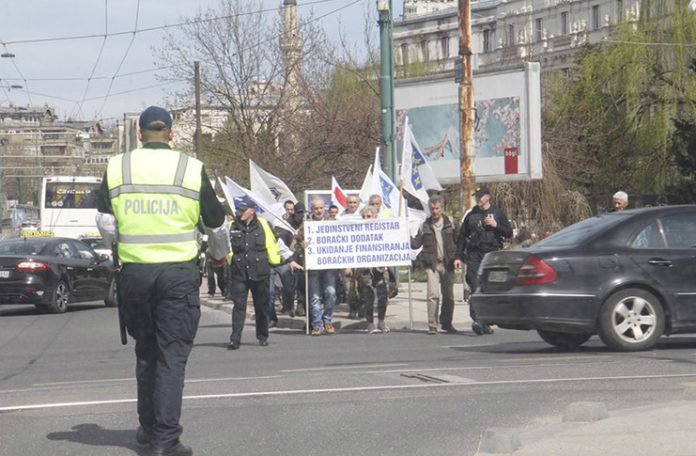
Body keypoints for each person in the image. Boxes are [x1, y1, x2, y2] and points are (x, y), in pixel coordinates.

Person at [96, 105, 229, 456]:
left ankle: (147, 427)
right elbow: (216, 224)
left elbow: (105, 222)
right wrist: (218, 255)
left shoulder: (118, 166)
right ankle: (165, 440)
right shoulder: (190, 168)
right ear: (170, 134)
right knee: (172, 357)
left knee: (146, 351)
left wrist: (122, 248)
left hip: (135, 275)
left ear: (140, 134)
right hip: (177, 276)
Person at [455, 185, 513, 336]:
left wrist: (495, 225)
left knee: (489, 288)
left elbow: (509, 233)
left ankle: (486, 321)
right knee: (474, 285)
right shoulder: (471, 215)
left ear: (487, 197)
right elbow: (462, 237)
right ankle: (478, 320)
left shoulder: (497, 213)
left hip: (491, 254)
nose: (478, 200)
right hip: (474, 254)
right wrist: (458, 257)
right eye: (476, 197)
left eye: (480, 197)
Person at [227, 196, 281, 350]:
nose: (240, 212)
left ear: (252, 211)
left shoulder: (263, 224)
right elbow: (228, 248)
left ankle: (262, 336)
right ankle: (235, 339)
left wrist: (277, 261)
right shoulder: (232, 225)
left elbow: (272, 244)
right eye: (239, 210)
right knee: (238, 307)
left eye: (243, 210)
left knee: (261, 306)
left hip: (260, 272)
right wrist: (229, 260)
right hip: (239, 273)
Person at [411, 195, 459, 334]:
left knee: (448, 296)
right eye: (432, 209)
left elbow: (458, 241)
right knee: (433, 295)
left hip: (448, 263)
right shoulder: (425, 225)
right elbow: (416, 243)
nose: (435, 212)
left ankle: (447, 322)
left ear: (442, 208)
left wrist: (458, 258)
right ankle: (432, 325)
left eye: (437, 209)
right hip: (431, 264)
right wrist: (404, 236)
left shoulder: (450, 223)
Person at [291, 197, 337, 336]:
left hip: (329, 266)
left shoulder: (333, 223)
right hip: (312, 267)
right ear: (312, 210)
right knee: (314, 297)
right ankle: (317, 325)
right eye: (315, 208)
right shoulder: (306, 226)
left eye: (321, 208)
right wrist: (302, 245)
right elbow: (294, 247)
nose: (318, 211)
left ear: (325, 208)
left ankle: (327, 320)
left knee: (331, 293)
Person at [356, 205, 390, 333]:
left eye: (369, 217)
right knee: (368, 295)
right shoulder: (358, 232)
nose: (366, 219)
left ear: (375, 217)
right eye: (364, 217)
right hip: (365, 269)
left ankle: (381, 320)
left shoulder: (383, 230)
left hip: (381, 267)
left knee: (383, 294)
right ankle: (370, 322)